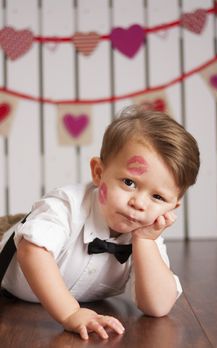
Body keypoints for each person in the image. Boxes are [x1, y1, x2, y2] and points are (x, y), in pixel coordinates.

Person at [0, 105, 200, 340]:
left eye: (158, 197)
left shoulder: (146, 235)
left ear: (173, 207)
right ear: (98, 172)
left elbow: (157, 307)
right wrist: (71, 313)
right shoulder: (66, 205)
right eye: (129, 182)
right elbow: (32, 251)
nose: (138, 203)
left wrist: (144, 243)